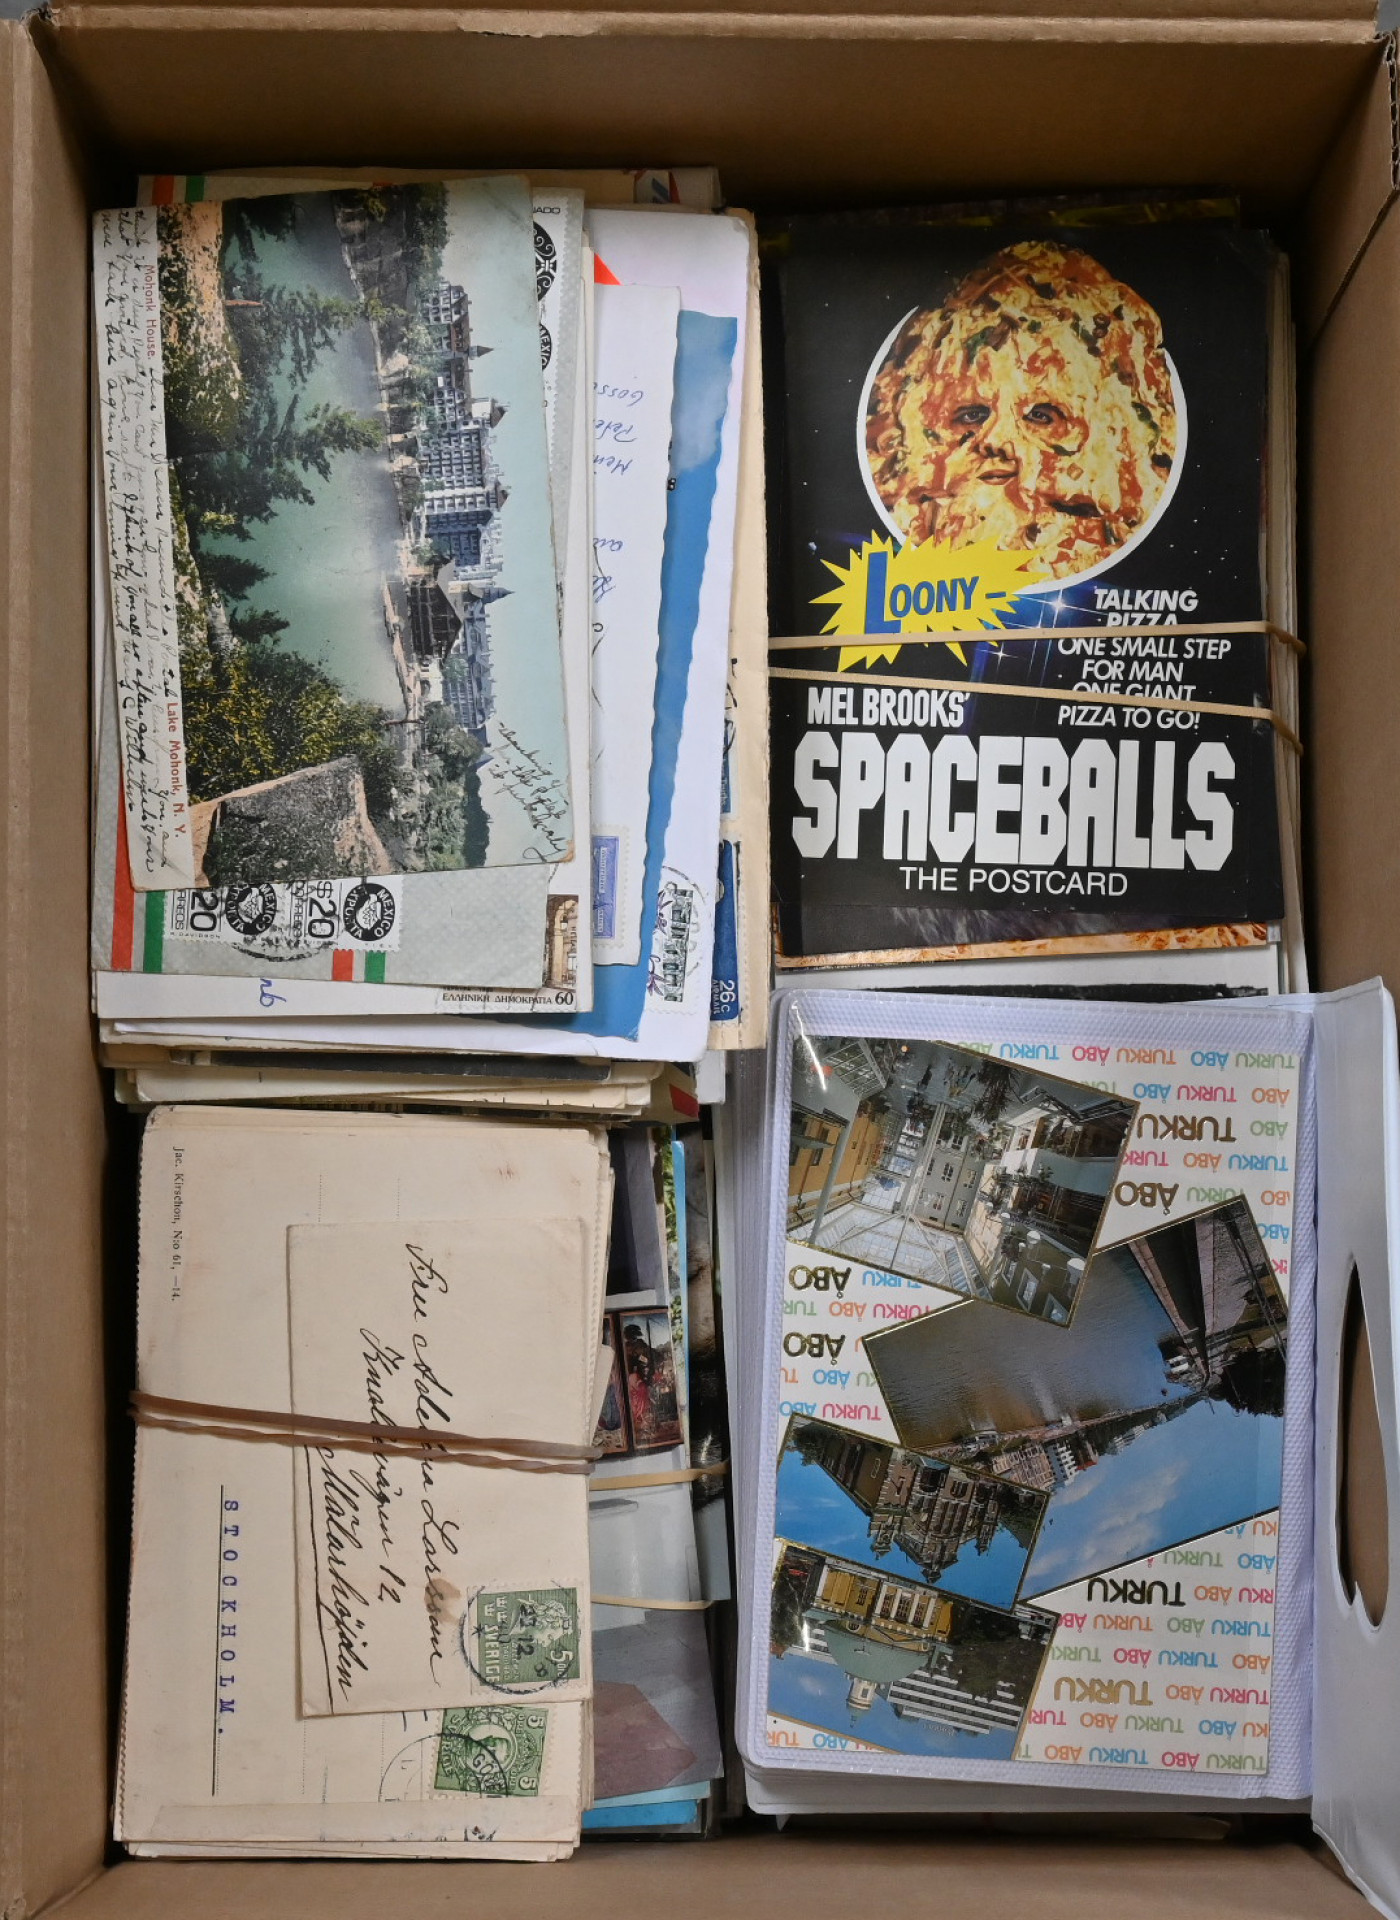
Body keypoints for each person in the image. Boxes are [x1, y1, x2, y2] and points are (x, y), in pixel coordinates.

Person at [865, 240, 1176, 575]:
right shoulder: (911, 508)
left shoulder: (1102, 529)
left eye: (1041, 416)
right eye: (972, 415)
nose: (996, 439)